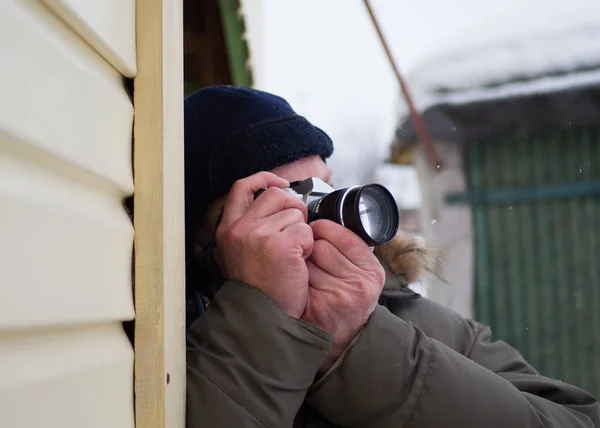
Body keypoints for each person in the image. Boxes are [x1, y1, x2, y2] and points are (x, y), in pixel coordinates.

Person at [184, 86, 599, 428]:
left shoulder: (413, 318)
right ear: (206, 239)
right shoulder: (175, 354)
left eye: (325, 189)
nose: (324, 214)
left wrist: (360, 348)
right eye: (286, 200)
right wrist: (262, 323)